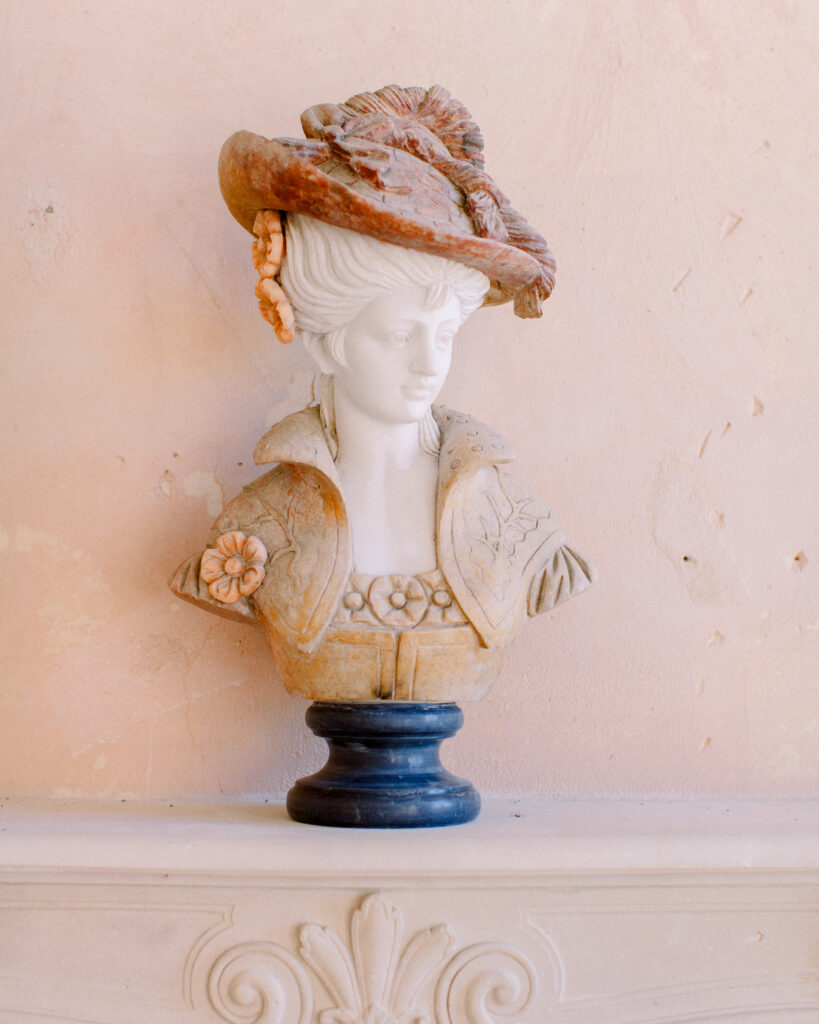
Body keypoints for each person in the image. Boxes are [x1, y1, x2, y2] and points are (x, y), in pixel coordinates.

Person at [170, 85, 595, 702]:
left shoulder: (516, 524)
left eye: (445, 334)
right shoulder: (251, 531)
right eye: (398, 335)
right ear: (325, 343)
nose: (429, 363)